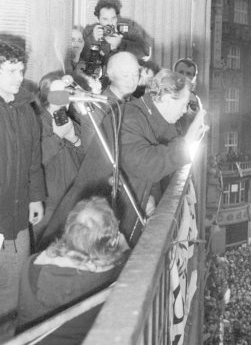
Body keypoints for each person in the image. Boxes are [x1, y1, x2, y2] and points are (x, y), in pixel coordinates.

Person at [41, 70, 208, 248]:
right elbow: (147, 164)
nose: (184, 110)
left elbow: (165, 151)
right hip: (87, 223)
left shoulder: (155, 118)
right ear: (167, 98)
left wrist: (150, 194)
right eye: (183, 104)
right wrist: (187, 143)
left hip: (106, 218)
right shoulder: (129, 117)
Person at [16, 196, 129, 343]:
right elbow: (134, 265)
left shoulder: (30, 266)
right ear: (111, 241)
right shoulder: (111, 277)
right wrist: (125, 249)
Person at [0, 37, 46, 338]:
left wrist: (35, 198)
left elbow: (32, 160)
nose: (21, 77)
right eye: (12, 70)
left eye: (21, 69)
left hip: (16, 220)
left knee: (12, 296)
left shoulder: (25, 108)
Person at [33, 72, 85, 242]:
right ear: (46, 95)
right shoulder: (36, 122)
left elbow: (87, 157)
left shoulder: (69, 119)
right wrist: (57, 137)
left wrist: (74, 140)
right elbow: (34, 161)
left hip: (73, 198)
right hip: (49, 204)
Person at [78, 51, 140, 148]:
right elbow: (93, 154)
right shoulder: (96, 109)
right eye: (125, 75)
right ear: (110, 74)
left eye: (136, 74)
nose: (132, 81)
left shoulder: (140, 104)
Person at [80, 0, 147, 68]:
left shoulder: (125, 29)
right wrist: (93, 40)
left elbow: (144, 51)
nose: (110, 23)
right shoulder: (90, 31)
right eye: (105, 19)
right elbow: (84, 60)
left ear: (117, 18)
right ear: (98, 19)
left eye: (113, 18)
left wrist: (121, 43)